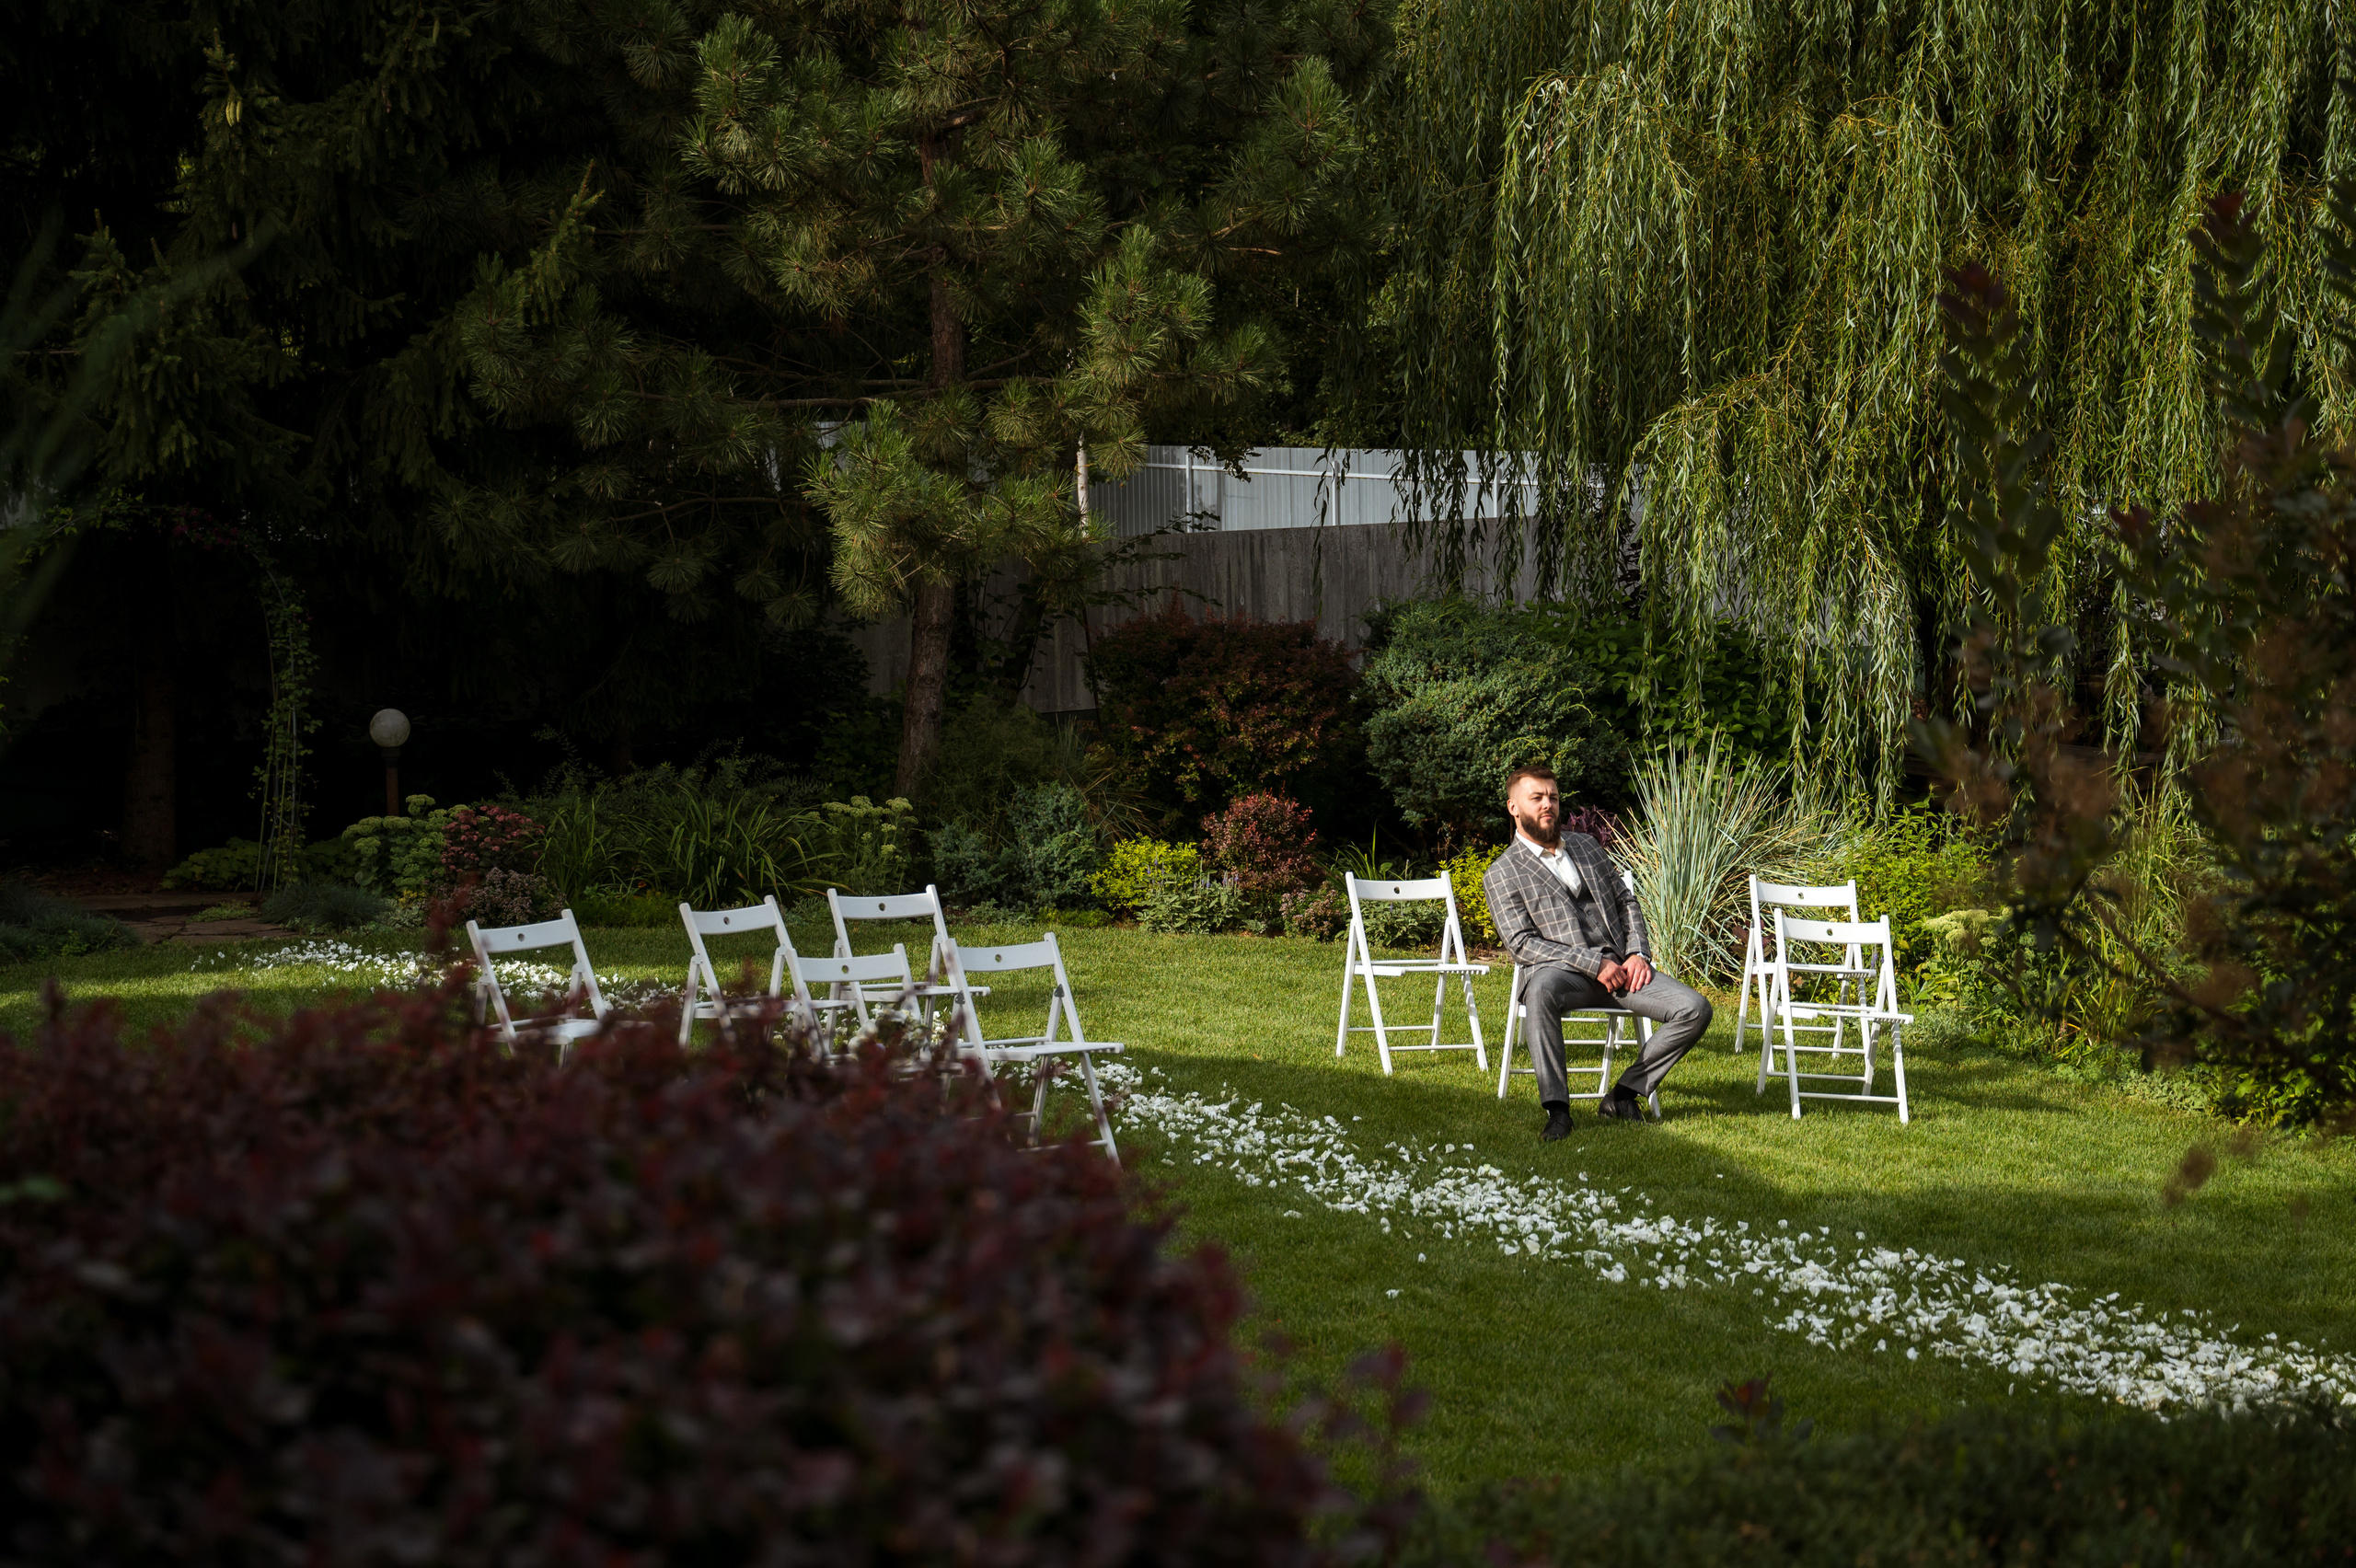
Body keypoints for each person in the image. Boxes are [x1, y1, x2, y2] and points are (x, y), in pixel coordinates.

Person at [1482, 765, 1711, 1140]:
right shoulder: (1503, 873)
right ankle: (1558, 1111)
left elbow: (1626, 901)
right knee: (1539, 991)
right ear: (1513, 807)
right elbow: (1522, 943)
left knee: (1694, 1008)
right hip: (1564, 974)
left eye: (1552, 797)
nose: (1547, 805)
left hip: (1623, 970)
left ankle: (1623, 1095)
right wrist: (1593, 962)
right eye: (1536, 798)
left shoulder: (1586, 846)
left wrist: (1638, 952)